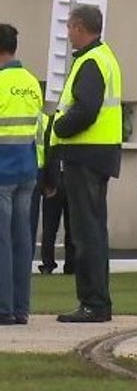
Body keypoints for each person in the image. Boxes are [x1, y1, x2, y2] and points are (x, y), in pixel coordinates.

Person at [50, 5, 123, 323]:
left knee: (86, 232)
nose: (67, 34)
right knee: (93, 230)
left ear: (80, 27)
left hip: (86, 154)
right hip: (99, 154)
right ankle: (97, 301)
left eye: (69, 27)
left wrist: (58, 126)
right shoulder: (104, 56)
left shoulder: (91, 61)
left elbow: (86, 109)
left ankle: (93, 303)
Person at [0, 23, 43, 324]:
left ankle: (3, 309)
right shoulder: (31, 83)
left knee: (2, 242)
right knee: (22, 240)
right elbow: (39, 132)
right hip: (28, 171)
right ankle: (21, 308)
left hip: (2, 172)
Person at [38, 112, 74, 276]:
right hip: (54, 182)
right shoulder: (51, 124)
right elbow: (45, 153)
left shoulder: (76, 123)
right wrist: (45, 183)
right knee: (49, 227)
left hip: (72, 180)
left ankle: (71, 264)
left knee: (72, 227)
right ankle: (47, 263)